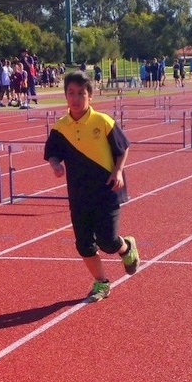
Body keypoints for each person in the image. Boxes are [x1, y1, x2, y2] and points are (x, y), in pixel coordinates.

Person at [44, 70, 139, 302]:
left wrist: (117, 171)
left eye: (81, 94)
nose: (75, 99)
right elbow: (52, 152)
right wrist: (56, 165)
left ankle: (126, 246)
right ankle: (101, 283)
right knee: (84, 244)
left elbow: (123, 147)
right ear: (65, 96)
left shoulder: (102, 122)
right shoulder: (60, 127)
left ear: (90, 96)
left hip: (107, 191)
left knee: (107, 241)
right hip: (79, 194)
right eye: (71, 93)